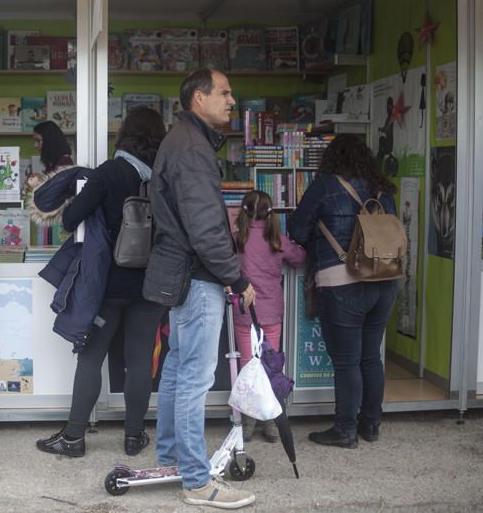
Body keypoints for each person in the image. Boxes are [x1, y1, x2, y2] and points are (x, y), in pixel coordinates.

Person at [149, 68, 256, 509]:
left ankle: (172, 459)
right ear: (199, 97)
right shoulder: (192, 149)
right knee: (193, 378)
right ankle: (196, 482)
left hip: (183, 276)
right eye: (225, 93)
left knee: (177, 371)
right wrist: (237, 277)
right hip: (197, 277)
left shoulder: (183, 141)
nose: (233, 101)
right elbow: (207, 228)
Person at [35, 106, 167, 458]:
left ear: (124, 135)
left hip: (108, 286)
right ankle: (134, 437)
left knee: (91, 357)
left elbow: (70, 220)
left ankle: (74, 437)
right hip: (151, 286)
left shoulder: (109, 172)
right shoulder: (165, 177)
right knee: (139, 360)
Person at [288, 134, 398, 449]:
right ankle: (371, 424)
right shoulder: (383, 188)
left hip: (342, 282)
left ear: (332, 157)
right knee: (370, 357)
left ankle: (345, 430)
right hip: (385, 281)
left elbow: (297, 230)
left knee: (347, 361)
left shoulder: (324, 186)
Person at [231, 190, 306, 443]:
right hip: (272, 312)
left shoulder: (237, 239)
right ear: (270, 213)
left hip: (245, 312)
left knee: (248, 366)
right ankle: (273, 422)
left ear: (243, 211)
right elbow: (299, 258)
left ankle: (248, 423)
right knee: (270, 366)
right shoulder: (277, 239)